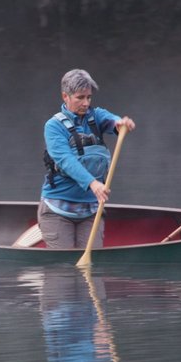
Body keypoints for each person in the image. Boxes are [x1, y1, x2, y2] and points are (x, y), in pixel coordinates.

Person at [39, 69, 136, 249]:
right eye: (80, 98)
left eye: (89, 97)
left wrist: (120, 123)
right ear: (65, 96)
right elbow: (66, 161)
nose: (86, 103)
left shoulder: (96, 116)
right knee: (65, 268)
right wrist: (93, 183)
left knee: (91, 266)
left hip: (91, 210)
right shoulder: (53, 126)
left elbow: (111, 120)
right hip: (57, 211)